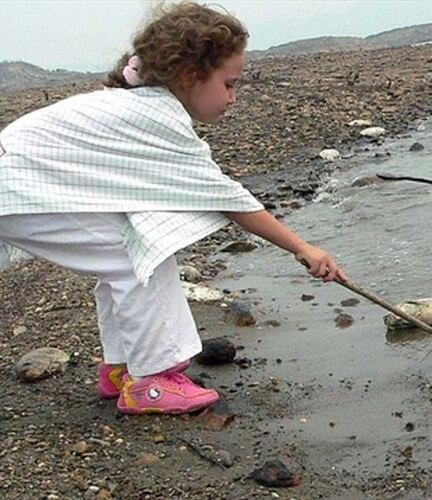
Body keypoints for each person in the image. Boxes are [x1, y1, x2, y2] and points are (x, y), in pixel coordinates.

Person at [0, 2, 347, 415]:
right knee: (138, 256)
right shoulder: (157, 115)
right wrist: (303, 248)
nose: (234, 98)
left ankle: (124, 366)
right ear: (188, 75)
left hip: (24, 190)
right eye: (229, 84)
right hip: (18, 192)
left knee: (126, 250)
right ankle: (151, 380)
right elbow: (226, 197)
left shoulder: (139, 104)